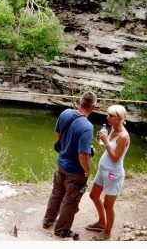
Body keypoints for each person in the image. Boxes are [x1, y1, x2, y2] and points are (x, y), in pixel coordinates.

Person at [42, 91, 97, 239]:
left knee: (57, 192)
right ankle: (61, 230)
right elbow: (83, 155)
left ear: (80, 102)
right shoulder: (87, 127)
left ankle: (48, 220)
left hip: (61, 163)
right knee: (70, 200)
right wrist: (87, 171)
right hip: (75, 171)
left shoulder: (65, 113)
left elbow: (58, 135)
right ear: (93, 107)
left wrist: (66, 147)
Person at [86, 104, 130, 241]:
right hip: (103, 170)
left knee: (108, 205)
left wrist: (105, 142)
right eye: (108, 115)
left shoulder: (123, 136)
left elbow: (116, 157)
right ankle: (101, 223)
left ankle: (107, 233)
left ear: (120, 118)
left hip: (114, 174)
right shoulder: (113, 129)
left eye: (111, 116)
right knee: (93, 196)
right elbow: (108, 148)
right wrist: (104, 140)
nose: (108, 118)